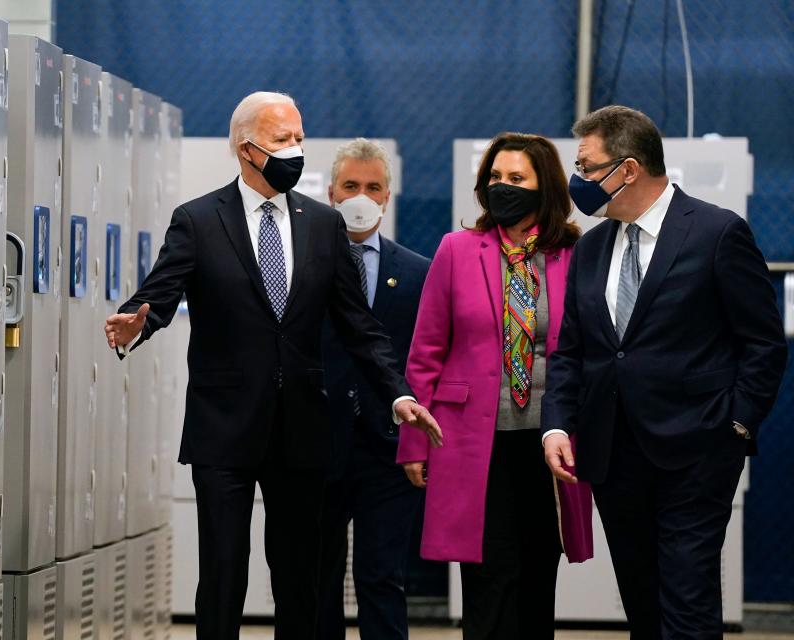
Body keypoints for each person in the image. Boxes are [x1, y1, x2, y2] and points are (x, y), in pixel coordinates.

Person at [103, 91, 442, 640]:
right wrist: (136, 323)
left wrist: (398, 393)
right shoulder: (198, 219)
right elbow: (158, 296)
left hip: (303, 428)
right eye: (283, 140)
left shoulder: (323, 225)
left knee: (299, 578)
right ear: (247, 149)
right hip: (224, 427)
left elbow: (360, 327)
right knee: (223, 574)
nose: (296, 149)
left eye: (299, 138)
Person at [542, 105, 788, 639]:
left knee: (688, 596)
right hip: (613, 454)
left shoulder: (716, 233)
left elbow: (763, 343)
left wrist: (737, 425)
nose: (577, 181)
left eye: (586, 167)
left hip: (697, 451)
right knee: (642, 599)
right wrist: (558, 424)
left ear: (627, 169)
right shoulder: (592, 246)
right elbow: (572, 350)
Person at [398, 132, 594, 640]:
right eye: (495, 178)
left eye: (516, 179)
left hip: (550, 443)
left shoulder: (575, 254)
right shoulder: (457, 250)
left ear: (544, 187)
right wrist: (414, 440)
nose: (502, 187)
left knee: (537, 573)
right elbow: (426, 352)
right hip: (469, 442)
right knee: (488, 578)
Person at [317, 138, 430, 640]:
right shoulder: (301, 265)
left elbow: (425, 360)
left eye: (372, 187)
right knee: (315, 581)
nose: (361, 196)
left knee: (383, 579)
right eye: (351, 186)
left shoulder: (418, 271)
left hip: (389, 450)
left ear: (388, 196)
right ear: (331, 193)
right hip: (316, 444)